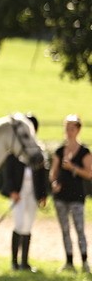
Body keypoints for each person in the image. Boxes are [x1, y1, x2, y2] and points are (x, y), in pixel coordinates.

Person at [0, 113, 49, 272]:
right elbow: (8, 173)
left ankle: (24, 262)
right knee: (19, 224)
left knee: (28, 225)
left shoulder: (38, 150)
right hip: (18, 193)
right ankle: (14, 262)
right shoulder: (16, 150)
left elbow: (42, 174)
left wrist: (42, 194)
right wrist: (12, 191)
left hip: (32, 193)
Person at [50, 114, 91, 272]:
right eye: (66, 128)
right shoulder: (59, 151)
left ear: (78, 130)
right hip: (61, 196)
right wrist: (54, 184)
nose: (68, 131)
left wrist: (73, 168)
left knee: (79, 229)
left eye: (71, 128)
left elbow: (89, 173)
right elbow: (53, 172)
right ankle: (69, 262)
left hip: (77, 196)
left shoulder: (84, 151)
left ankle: (85, 261)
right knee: (65, 229)